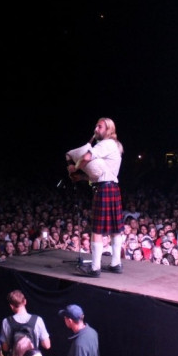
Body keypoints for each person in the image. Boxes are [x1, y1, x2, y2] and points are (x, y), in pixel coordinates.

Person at [68, 117, 124, 277]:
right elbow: (101, 174)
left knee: (97, 230)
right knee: (116, 229)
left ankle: (94, 268)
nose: (96, 129)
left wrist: (74, 168)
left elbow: (86, 157)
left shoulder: (105, 144)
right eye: (96, 126)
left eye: (99, 127)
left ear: (109, 130)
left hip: (104, 190)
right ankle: (116, 264)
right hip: (112, 187)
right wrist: (82, 177)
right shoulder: (112, 145)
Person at [0, 290, 50, 356]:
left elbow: (5, 348)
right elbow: (47, 345)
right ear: (25, 301)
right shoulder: (38, 320)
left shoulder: (6, 321)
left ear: (11, 306)